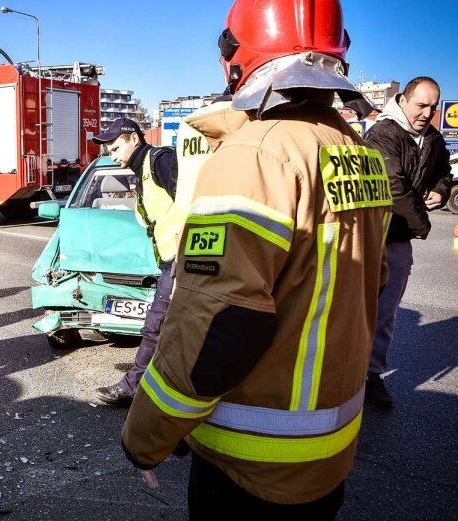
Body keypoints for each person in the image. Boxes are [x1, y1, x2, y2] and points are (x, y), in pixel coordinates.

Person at [122, 0, 392, 518]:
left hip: (250, 468)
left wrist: (146, 436)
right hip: (327, 456)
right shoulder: (357, 151)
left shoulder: (256, 153)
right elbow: (370, 282)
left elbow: (220, 320)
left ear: (235, 57)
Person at [363, 77, 453, 408]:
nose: (428, 113)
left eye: (433, 106)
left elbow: (445, 172)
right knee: (356, 310)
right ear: (402, 100)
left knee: (385, 312)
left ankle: (371, 376)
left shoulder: (433, 138)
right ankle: (342, 376)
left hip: (398, 238)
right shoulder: (384, 134)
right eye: (421, 105)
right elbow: (392, 186)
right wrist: (421, 223)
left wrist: (441, 190)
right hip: (369, 235)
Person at [91, 117, 180, 406]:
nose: (112, 155)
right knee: (173, 329)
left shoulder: (160, 161)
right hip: (171, 261)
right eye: (109, 150)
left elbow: (192, 205)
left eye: (116, 148)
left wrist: (187, 257)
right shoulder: (140, 172)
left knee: (155, 326)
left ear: (134, 139)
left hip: (182, 260)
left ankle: (133, 387)